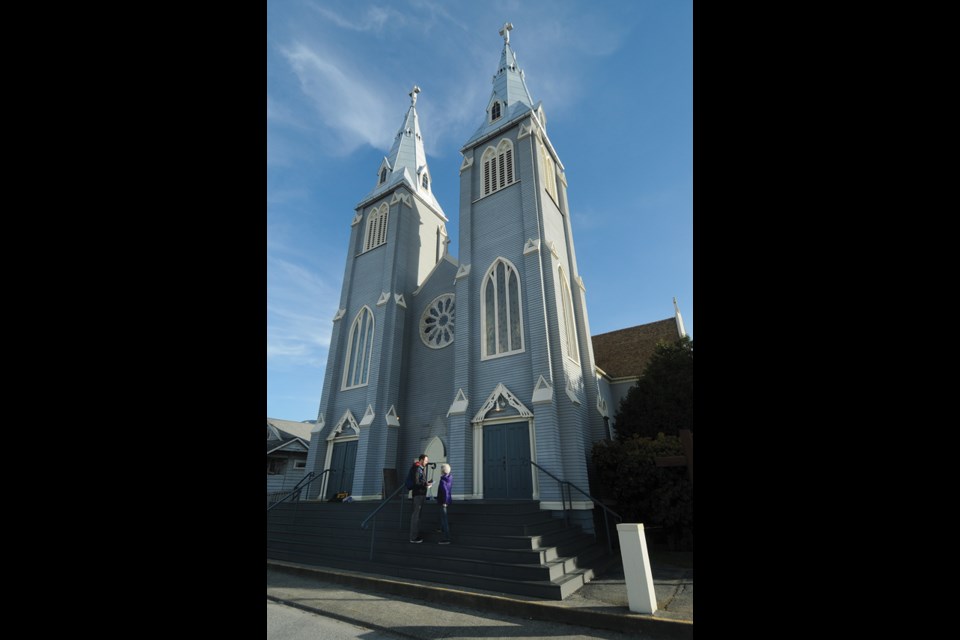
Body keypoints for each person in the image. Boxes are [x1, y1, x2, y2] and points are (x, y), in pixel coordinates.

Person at [406, 454, 432, 543]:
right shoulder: (417, 468)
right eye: (426, 460)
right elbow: (417, 482)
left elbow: (419, 481)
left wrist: (426, 483)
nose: (427, 462)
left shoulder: (419, 468)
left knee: (417, 516)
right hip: (418, 495)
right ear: (421, 460)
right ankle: (413, 537)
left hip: (420, 494)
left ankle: (416, 534)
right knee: (416, 516)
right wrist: (425, 484)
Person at [436, 463, 452, 544]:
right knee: (443, 516)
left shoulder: (443, 480)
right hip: (447, 500)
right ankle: (441, 528)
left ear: (442, 471)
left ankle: (447, 538)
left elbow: (445, 492)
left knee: (444, 518)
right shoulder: (449, 478)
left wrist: (444, 502)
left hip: (443, 501)